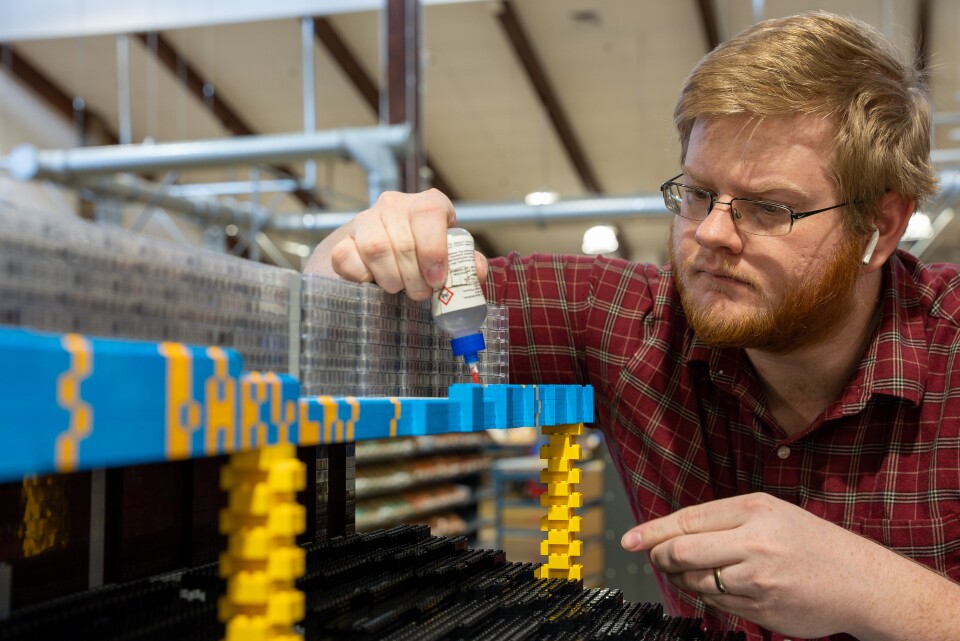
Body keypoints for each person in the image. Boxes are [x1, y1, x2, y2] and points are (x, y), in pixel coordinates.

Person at [306, 11, 960, 640]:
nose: (710, 234)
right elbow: (343, 328)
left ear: (881, 225)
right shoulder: (625, 321)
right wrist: (353, 253)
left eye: (768, 208)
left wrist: (874, 588)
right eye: (698, 194)